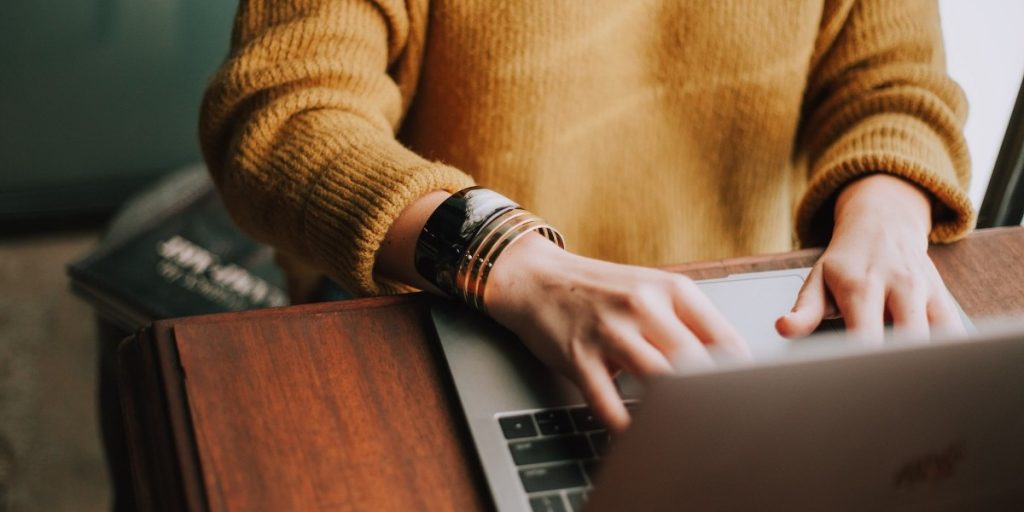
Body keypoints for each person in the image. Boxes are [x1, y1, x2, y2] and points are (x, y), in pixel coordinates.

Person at [200, 0, 974, 431]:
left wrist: (887, 212)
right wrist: (511, 259)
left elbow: (894, 79)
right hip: (441, 312)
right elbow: (283, 116)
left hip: (734, 334)